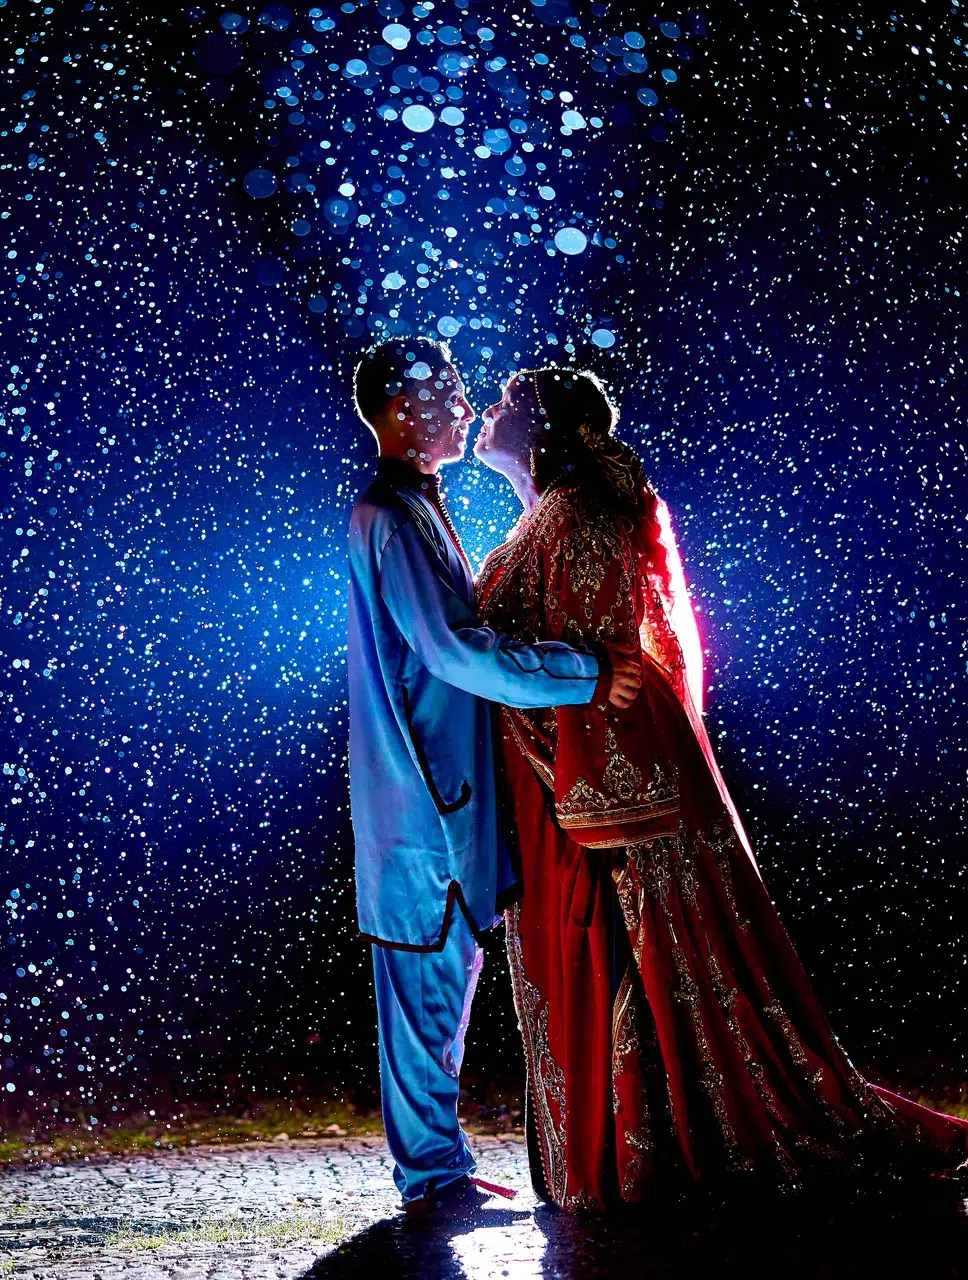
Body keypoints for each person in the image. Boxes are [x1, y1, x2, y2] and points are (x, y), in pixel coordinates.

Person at [472, 365, 968, 1208]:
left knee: (663, 968)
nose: (487, 411)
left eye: (510, 402)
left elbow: (609, 670)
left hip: (612, 783)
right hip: (567, 774)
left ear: (548, 427)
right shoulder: (545, 519)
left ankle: (660, 1151)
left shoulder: (578, 515)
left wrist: (590, 796)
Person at [344, 339, 637, 1216]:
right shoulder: (392, 519)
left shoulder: (410, 511)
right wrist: (582, 672)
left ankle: (439, 1171)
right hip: (426, 812)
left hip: (441, 807)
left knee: (438, 1001)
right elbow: (450, 650)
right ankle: (432, 1179)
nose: (468, 409)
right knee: (425, 1004)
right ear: (402, 409)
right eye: (451, 394)